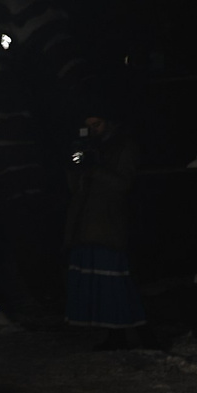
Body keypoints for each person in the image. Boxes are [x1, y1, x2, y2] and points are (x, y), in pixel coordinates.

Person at [64, 111, 143, 344]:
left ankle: (126, 333)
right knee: (96, 281)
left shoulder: (123, 147)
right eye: (89, 126)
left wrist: (95, 166)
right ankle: (110, 332)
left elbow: (123, 184)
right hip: (87, 223)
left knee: (114, 282)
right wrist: (75, 166)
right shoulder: (90, 146)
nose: (93, 131)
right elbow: (74, 188)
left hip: (110, 224)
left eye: (97, 124)